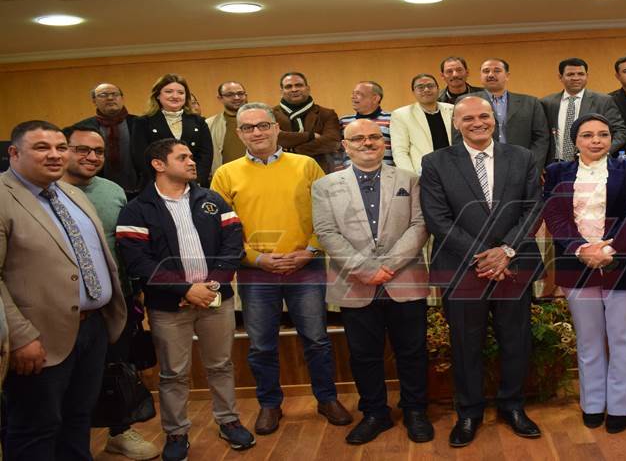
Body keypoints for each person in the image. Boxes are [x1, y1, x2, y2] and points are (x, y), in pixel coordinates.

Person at [210, 102, 352, 434]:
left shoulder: (306, 165)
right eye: (248, 127)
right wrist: (255, 258)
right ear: (239, 133)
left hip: (306, 266)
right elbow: (221, 228)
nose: (257, 132)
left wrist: (310, 250)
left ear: (276, 128)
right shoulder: (225, 174)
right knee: (261, 345)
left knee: (316, 340)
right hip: (256, 272)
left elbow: (328, 213)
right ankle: (270, 404)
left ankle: (327, 399)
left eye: (263, 125)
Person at [117, 138, 254, 460]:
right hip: (168, 307)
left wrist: (212, 286)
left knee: (221, 365)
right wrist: (185, 290)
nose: (192, 161)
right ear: (158, 164)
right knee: (173, 373)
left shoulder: (212, 200)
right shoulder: (137, 208)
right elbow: (138, 261)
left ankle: (229, 421)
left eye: (192, 156)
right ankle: (176, 433)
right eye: (183, 157)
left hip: (215, 299)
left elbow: (234, 242)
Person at [421, 96, 544, 448]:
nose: (478, 123)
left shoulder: (522, 156)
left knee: (516, 340)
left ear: (494, 119)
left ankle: (512, 406)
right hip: (461, 268)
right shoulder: (435, 162)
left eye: (484, 116)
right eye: (468, 118)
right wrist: (483, 257)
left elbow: (533, 208)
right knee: (465, 344)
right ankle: (469, 412)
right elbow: (437, 219)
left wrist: (505, 251)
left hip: (512, 264)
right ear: (455, 123)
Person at [1, 120, 126, 460]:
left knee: (78, 419)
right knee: (36, 428)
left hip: (92, 329)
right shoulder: (3, 197)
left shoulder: (71, 194)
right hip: (38, 338)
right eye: (42, 147)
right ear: (14, 153)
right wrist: (21, 336)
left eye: (60, 147)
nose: (55, 155)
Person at [312, 119, 432, 445]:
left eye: (374, 137)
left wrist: (387, 266)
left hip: (404, 279)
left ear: (384, 142)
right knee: (364, 355)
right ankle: (375, 413)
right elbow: (326, 232)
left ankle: (415, 410)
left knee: (412, 351)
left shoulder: (410, 179)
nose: (367, 142)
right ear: (345, 146)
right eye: (358, 138)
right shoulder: (325, 185)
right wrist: (364, 269)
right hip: (355, 282)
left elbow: (420, 225)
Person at [542, 113, 626, 433]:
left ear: (611, 139)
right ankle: (592, 403)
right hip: (576, 263)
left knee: (623, 338)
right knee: (588, 338)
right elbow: (554, 215)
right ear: (575, 141)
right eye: (587, 135)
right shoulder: (557, 172)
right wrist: (581, 249)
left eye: (603, 134)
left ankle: (620, 406)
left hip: (623, 261)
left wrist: (609, 249)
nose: (596, 141)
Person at [60, 125, 158, 460]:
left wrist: (135, 290)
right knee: (67, 379)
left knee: (117, 368)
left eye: (98, 151)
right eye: (82, 150)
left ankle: (119, 431)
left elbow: (126, 245)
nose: (92, 157)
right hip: (64, 305)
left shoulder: (113, 190)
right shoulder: (46, 192)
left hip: (116, 299)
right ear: (63, 150)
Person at [540, 58, 626, 164]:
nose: (576, 78)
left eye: (580, 74)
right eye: (570, 74)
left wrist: (602, 151)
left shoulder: (603, 101)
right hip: (556, 164)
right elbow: (541, 136)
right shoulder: (547, 103)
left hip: (594, 163)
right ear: (560, 77)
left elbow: (620, 132)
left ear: (587, 76)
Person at [132, 73, 213, 186]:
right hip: (157, 184)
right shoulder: (143, 122)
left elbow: (206, 155)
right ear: (157, 95)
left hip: (194, 184)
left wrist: (196, 181)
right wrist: (161, 182)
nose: (175, 96)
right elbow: (141, 157)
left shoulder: (198, 121)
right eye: (169, 91)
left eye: (180, 92)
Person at [471, 58, 551, 169]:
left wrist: (533, 166)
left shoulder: (531, 103)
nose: (491, 75)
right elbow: (459, 138)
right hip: (480, 166)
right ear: (480, 75)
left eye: (497, 71)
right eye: (486, 71)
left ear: (507, 75)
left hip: (521, 165)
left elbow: (541, 138)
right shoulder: (467, 102)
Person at [69, 82, 141, 198]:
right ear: (94, 101)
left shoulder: (141, 123)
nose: (110, 98)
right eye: (103, 95)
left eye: (115, 94)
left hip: (140, 190)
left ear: (122, 98)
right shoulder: (81, 128)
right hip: (98, 192)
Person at [273, 72, 342, 172]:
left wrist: (293, 150)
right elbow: (275, 138)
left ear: (308, 88)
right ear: (281, 91)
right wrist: (310, 136)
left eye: (299, 85)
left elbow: (332, 142)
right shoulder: (269, 114)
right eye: (288, 86)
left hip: (319, 170)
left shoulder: (326, 114)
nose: (294, 89)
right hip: (281, 170)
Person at [390, 73, 454, 174]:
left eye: (430, 86)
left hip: (453, 168)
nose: (426, 90)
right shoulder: (401, 115)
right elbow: (400, 151)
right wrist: (411, 177)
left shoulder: (452, 109)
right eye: (420, 87)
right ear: (413, 92)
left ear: (438, 89)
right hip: (423, 173)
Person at [336, 81, 393, 171]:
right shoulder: (343, 121)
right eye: (353, 93)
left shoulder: (392, 119)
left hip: (386, 174)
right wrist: (340, 172)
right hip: (350, 176)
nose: (353, 97)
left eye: (358, 93)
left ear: (375, 98)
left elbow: (398, 150)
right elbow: (336, 151)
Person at [207, 80, 249, 174]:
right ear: (220, 98)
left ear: (246, 95)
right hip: (225, 177)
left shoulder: (259, 120)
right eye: (230, 95)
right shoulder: (209, 124)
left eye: (240, 93)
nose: (236, 97)